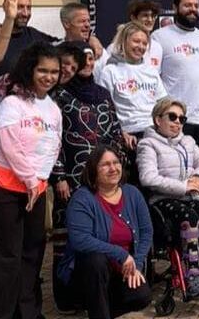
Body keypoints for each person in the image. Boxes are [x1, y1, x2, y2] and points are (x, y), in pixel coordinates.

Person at [0, 44, 63, 319]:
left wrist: (39, 181)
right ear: (29, 70)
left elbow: (53, 146)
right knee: (7, 258)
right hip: (4, 187)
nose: (49, 77)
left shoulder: (53, 109)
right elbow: (9, 146)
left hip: (35, 188)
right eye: (42, 70)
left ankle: (28, 313)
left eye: (54, 72)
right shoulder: (11, 103)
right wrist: (30, 180)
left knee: (32, 253)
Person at [48, 42, 128, 311]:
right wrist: (59, 175)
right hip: (71, 178)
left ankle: (97, 293)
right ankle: (67, 296)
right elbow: (54, 139)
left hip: (103, 179)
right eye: (82, 59)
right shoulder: (59, 95)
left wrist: (118, 168)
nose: (88, 64)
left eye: (92, 58)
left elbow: (114, 131)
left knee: (101, 233)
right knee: (68, 236)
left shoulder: (103, 94)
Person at [136, 98, 199, 296]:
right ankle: (192, 275)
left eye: (182, 119)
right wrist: (184, 186)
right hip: (162, 201)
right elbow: (147, 178)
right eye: (172, 117)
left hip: (189, 198)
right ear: (158, 119)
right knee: (189, 217)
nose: (177, 122)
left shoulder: (188, 141)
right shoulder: (147, 144)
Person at [58, 147, 153, 319]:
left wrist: (137, 265)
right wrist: (121, 254)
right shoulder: (82, 198)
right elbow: (80, 239)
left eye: (116, 163)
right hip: (87, 274)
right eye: (105, 164)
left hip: (121, 271)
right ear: (93, 170)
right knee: (96, 260)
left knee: (142, 295)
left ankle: (101, 311)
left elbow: (146, 232)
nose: (113, 168)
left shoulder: (132, 193)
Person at [150, 0, 199, 154]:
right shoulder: (159, 36)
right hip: (175, 119)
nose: (193, 9)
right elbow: (152, 77)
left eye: (196, 6)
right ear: (175, 7)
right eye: (187, 5)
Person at [98, 23, 168, 143]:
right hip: (126, 134)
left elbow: (163, 103)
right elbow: (103, 108)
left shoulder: (151, 71)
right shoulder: (110, 71)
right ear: (123, 41)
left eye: (144, 43)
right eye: (136, 41)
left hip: (154, 132)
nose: (140, 46)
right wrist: (120, 133)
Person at [0, 0, 57, 84]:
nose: (25, 13)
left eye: (29, 8)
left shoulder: (35, 35)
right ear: (5, 7)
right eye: (20, 7)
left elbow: (63, 46)